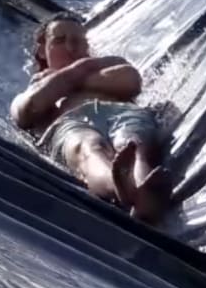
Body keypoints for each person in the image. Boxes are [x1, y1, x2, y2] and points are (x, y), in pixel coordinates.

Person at [10, 12, 171, 223]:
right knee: (89, 148)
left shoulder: (110, 63)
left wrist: (68, 78)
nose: (70, 47)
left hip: (119, 111)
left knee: (132, 143)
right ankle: (119, 188)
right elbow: (27, 110)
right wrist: (86, 74)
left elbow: (131, 81)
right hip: (70, 123)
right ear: (42, 50)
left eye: (77, 41)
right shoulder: (33, 87)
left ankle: (144, 192)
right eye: (59, 41)